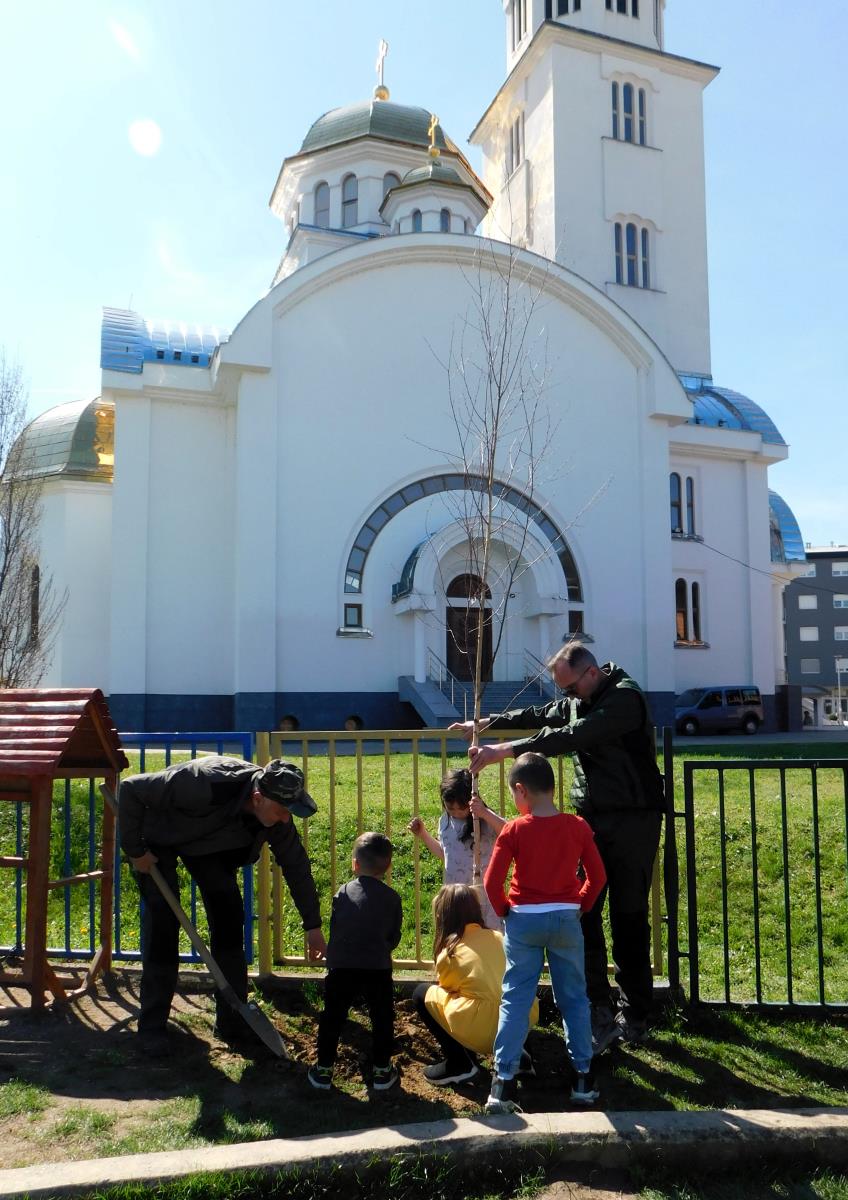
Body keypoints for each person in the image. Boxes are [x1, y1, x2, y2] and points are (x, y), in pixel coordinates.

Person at [455, 642, 665, 1052]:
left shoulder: (625, 698)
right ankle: (596, 1008)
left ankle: (635, 1012)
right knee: (583, 910)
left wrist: (508, 751)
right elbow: (540, 714)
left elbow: (574, 734)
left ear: (590, 674)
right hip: (592, 819)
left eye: (570, 688)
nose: (566, 697)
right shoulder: (577, 698)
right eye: (563, 691)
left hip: (633, 819)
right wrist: (487, 721)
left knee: (629, 915)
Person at [118, 755, 326, 1053]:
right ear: (257, 798)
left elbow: (296, 866)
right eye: (282, 810)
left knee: (229, 918)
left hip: (209, 847)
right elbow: (131, 789)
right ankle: (152, 1026)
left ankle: (232, 1021)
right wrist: (135, 851)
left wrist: (313, 926)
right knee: (163, 923)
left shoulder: (276, 818)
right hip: (158, 839)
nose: (285, 818)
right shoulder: (205, 782)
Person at [483, 753, 606, 1114]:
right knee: (574, 998)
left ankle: (502, 1084)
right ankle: (583, 1077)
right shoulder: (578, 827)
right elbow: (597, 878)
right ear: (551, 788)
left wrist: (506, 910)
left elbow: (492, 882)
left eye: (514, 795)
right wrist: (580, 906)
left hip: (524, 919)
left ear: (521, 790)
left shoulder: (515, 829)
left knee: (516, 998)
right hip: (566, 918)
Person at [413, 883, 538, 1087]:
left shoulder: (450, 953)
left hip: (481, 1030)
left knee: (422, 993)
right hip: (520, 1021)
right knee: (512, 990)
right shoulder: (500, 938)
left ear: (443, 917)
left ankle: (460, 1063)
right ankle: (520, 1053)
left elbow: (448, 992)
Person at [308, 831, 402, 1091]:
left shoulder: (343, 892)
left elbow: (337, 929)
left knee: (333, 1017)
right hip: (377, 967)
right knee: (382, 1017)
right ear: (388, 866)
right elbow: (394, 936)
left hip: (341, 967)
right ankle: (382, 1070)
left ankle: (324, 1069)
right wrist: (382, 948)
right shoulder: (392, 898)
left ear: (355, 864)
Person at [407, 768, 505, 930]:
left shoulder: (484, 821)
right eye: (450, 809)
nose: (457, 813)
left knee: (487, 937)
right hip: (455, 896)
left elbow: (508, 831)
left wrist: (485, 813)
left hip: (482, 895)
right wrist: (423, 834)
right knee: (457, 936)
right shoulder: (445, 822)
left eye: (462, 808)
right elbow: (445, 854)